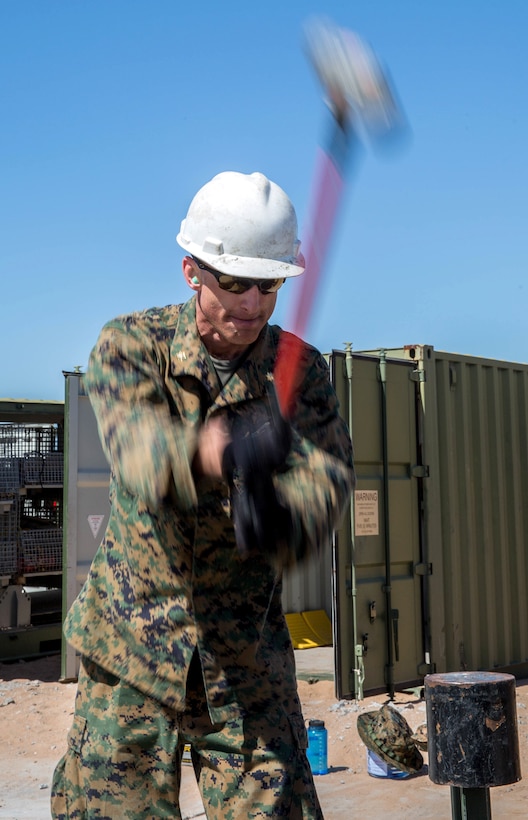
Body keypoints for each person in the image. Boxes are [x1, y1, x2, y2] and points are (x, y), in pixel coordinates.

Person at [51, 170, 355, 819]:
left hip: (244, 655)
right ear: (193, 271)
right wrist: (215, 447)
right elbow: (137, 451)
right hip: (131, 649)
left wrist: (281, 515)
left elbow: (326, 480)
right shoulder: (132, 345)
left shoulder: (300, 371)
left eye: (268, 285)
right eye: (234, 283)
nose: (251, 304)